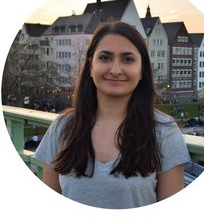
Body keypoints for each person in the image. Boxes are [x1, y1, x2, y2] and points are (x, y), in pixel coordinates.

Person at [35, 21, 190, 209]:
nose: (115, 70)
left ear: (142, 71)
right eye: (105, 57)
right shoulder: (62, 128)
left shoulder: (164, 132)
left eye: (128, 59)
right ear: (91, 66)